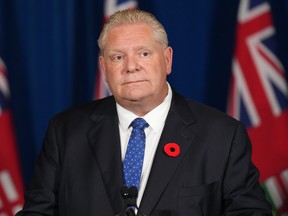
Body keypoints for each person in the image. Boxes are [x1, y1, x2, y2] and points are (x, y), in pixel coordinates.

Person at [17, 9, 272, 216]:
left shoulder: (222, 135)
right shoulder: (65, 132)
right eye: (118, 57)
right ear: (104, 68)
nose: (131, 67)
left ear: (167, 59)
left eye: (144, 53)